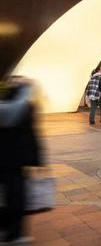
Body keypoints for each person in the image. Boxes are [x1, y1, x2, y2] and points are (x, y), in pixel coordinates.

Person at [0, 78, 41, 244]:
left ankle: (6, 228)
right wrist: (37, 160)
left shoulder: (3, 106)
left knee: (5, 195)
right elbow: (32, 135)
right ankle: (14, 233)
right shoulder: (25, 107)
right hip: (18, 160)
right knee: (17, 197)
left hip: (3, 160)